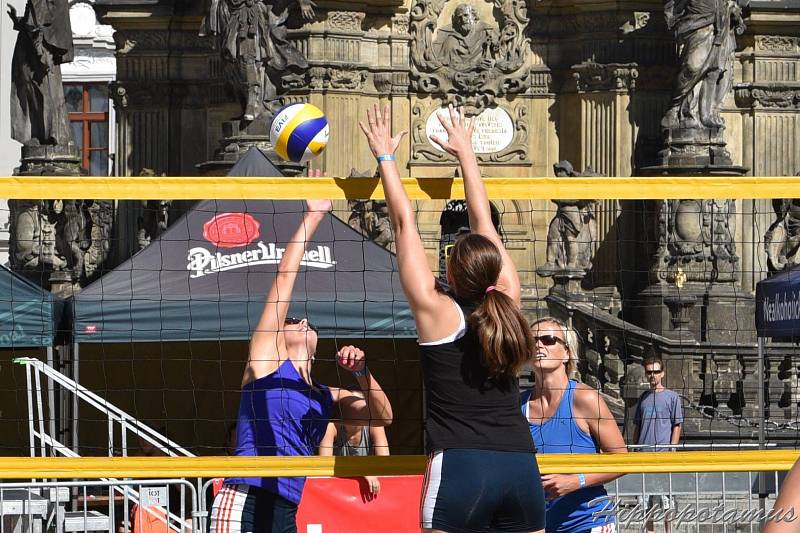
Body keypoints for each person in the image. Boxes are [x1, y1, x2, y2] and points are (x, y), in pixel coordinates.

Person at [359, 103, 546, 533]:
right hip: (521, 468)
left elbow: (405, 224)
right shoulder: (510, 303)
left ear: (450, 272)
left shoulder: (436, 311)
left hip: (463, 468)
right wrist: (467, 153)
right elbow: (486, 226)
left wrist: (386, 157)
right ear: (494, 270)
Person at [209, 196, 393, 533]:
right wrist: (313, 216)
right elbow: (284, 277)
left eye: (306, 320)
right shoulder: (266, 362)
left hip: (288, 506)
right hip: (247, 496)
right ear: (281, 332)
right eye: (293, 319)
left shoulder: (325, 394)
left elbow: (383, 416)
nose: (303, 320)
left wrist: (362, 372)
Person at [522, 317, 627, 533]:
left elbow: (622, 460)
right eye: (531, 341)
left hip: (588, 520)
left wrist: (575, 481)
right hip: (537, 524)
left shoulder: (585, 399)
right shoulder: (518, 404)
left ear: (567, 352)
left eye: (548, 339)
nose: (539, 345)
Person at [633, 356, 683, 533]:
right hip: (643, 456)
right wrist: (635, 450)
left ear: (662, 373)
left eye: (655, 372)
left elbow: (677, 425)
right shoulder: (643, 398)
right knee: (645, 501)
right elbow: (637, 426)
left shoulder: (672, 397)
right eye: (649, 372)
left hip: (664, 456)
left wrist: (672, 449)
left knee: (667, 500)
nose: (652, 375)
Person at [319, 389, 390, 500]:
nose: (354, 410)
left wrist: (364, 472)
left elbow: (385, 464)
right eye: (350, 407)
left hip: (369, 487)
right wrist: (360, 471)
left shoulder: (374, 426)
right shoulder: (332, 427)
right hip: (339, 486)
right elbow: (324, 466)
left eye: (358, 407)